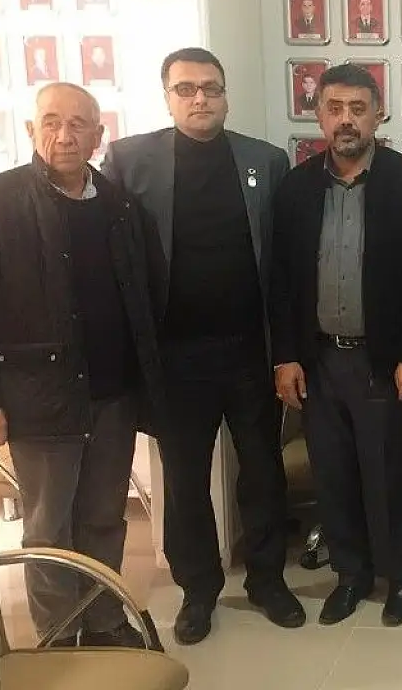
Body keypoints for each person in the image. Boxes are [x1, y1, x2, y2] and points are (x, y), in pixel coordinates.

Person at [101, 47, 304, 644]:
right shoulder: (129, 160)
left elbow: (284, 267)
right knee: (185, 480)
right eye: (186, 89)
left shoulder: (265, 161)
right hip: (175, 357)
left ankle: (267, 579)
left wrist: (284, 351)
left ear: (225, 94)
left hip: (249, 352)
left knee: (263, 472)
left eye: (211, 88)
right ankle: (198, 589)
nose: (200, 99)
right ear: (167, 96)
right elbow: (116, 262)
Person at [0, 82, 164, 649]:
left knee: (104, 518)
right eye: (51, 122)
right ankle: (59, 636)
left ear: (99, 135)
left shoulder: (120, 205)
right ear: (31, 130)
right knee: (49, 527)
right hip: (39, 398)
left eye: (78, 124)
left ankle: (102, 621)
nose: (65, 135)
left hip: (113, 395)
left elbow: (143, 298)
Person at [269, 63, 402, 628]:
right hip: (319, 360)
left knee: (390, 476)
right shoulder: (296, 188)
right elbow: (281, 282)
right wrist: (286, 356)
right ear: (318, 115)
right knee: (334, 475)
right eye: (335, 108)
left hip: (382, 362)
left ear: (378, 115)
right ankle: (350, 575)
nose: (347, 120)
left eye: (358, 109)